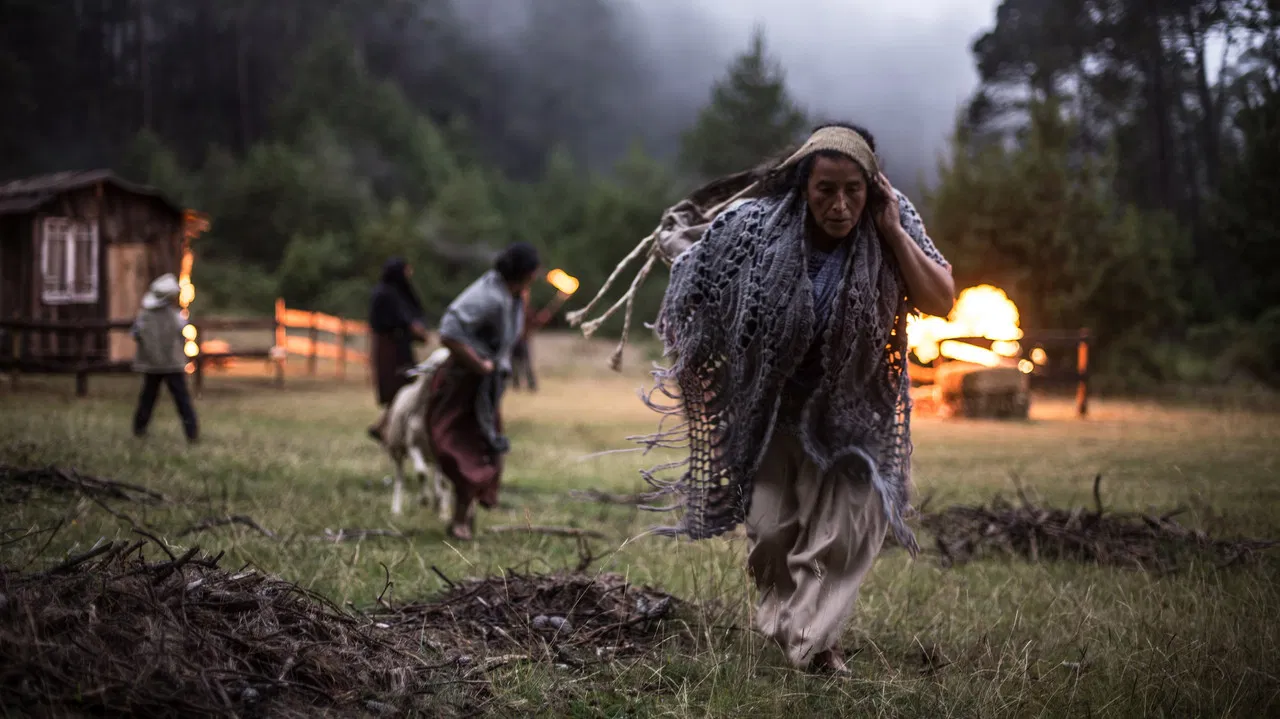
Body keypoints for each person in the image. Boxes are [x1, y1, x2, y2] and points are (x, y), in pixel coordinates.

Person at [639, 123, 955, 672]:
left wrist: (894, 233)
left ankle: (814, 646)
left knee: (841, 535)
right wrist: (682, 250)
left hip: (859, 413)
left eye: (852, 190)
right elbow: (705, 269)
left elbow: (941, 297)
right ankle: (789, 623)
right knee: (769, 535)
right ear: (803, 186)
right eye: (825, 190)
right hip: (775, 410)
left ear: (872, 186)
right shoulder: (758, 225)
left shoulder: (892, 216)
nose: (838, 204)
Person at [428, 242, 541, 540]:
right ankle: (460, 520)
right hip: (463, 382)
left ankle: (462, 516)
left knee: (484, 448)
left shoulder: (513, 295)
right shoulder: (487, 296)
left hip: (486, 387)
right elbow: (449, 331)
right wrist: (478, 364)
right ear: (526, 272)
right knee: (464, 447)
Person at [131, 273, 199, 443]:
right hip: (172, 364)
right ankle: (191, 433)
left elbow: (135, 334)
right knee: (181, 399)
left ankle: (139, 428)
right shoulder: (176, 316)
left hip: (152, 364)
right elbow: (184, 333)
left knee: (148, 397)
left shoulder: (143, 316)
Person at [368, 257, 430, 443]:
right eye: (406, 270)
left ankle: (385, 427)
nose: (409, 274)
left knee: (404, 387)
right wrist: (416, 331)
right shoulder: (386, 294)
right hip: (391, 347)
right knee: (399, 387)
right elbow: (402, 320)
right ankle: (384, 428)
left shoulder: (392, 292)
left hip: (398, 346)